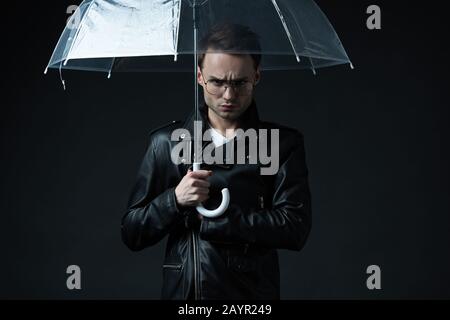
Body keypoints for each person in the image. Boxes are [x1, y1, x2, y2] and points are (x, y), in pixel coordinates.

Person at [121, 23, 312, 300]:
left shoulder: (282, 144)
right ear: (199, 77)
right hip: (186, 297)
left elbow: (295, 228)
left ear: (256, 76)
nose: (228, 95)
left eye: (239, 83)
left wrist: (218, 219)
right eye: (217, 82)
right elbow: (132, 232)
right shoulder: (167, 142)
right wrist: (173, 200)